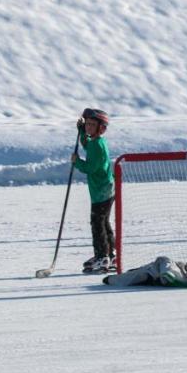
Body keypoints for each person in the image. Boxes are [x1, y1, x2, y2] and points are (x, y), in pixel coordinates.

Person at [73, 108, 114, 273]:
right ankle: (110, 253)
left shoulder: (97, 145)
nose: (88, 127)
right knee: (103, 222)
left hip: (101, 192)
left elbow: (90, 167)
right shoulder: (96, 142)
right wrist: (82, 132)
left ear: (101, 128)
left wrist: (77, 162)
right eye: (87, 124)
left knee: (97, 224)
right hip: (104, 190)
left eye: (91, 125)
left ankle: (102, 256)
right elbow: (87, 145)